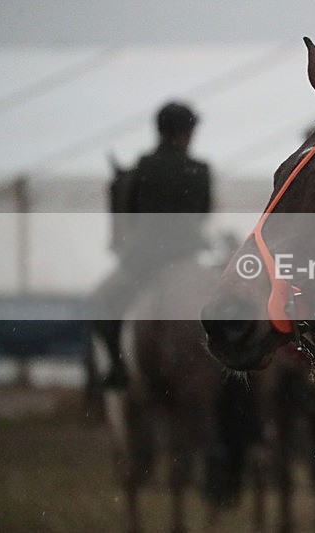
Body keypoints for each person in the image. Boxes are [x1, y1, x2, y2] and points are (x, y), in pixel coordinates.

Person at [92, 100, 212, 387]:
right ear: (188, 131)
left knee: (103, 301)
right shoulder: (199, 168)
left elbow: (130, 213)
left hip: (148, 259)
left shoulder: (142, 167)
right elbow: (203, 211)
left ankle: (117, 367)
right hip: (189, 256)